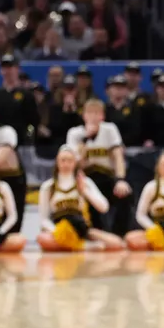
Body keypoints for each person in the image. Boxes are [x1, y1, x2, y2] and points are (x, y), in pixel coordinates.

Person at [37, 146, 125, 251]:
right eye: (63, 160)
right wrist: (58, 232)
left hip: (82, 229)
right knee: (43, 239)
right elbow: (43, 220)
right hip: (59, 230)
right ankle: (84, 246)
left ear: (75, 162)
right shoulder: (48, 186)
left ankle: (75, 245)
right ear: (57, 162)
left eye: (70, 160)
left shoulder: (85, 182)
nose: (66, 164)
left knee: (116, 243)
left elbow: (104, 207)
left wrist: (84, 191)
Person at [64, 98, 133, 233]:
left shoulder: (110, 129)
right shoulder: (74, 133)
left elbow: (118, 156)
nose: (93, 117)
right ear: (83, 115)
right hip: (85, 178)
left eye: (97, 113)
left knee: (126, 196)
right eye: (90, 113)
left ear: (102, 116)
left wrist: (120, 180)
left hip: (107, 176)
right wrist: (86, 138)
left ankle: (119, 235)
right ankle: (94, 234)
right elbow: (76, 164)